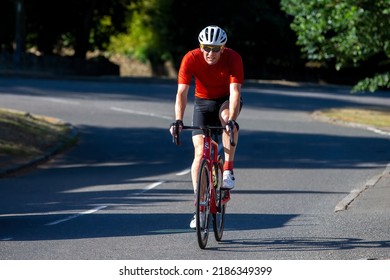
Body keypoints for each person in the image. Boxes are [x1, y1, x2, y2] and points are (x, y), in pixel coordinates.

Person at [169, 25, 244, 229]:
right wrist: (178, 119)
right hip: (202, 103)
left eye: (216, 49)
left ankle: (228, 170)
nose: (210, 53)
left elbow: (235, 91)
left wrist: (231, 120)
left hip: (225, 101)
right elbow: (182, 93)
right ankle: (200, 207)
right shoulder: (191, 58)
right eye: (206, 48)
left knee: (228, 120)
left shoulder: (233, 58)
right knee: (200, 153)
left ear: (223, 47)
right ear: (200, 46)